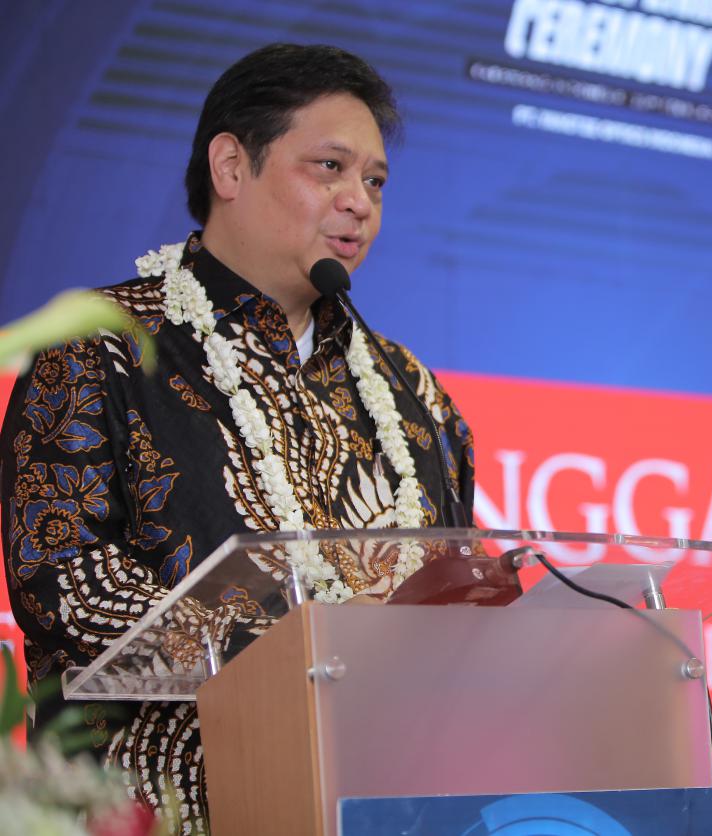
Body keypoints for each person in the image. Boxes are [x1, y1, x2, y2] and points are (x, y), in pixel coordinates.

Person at [0, 43, 474, 832]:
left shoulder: (414, 393)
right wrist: (308, 653)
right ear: (230, 166)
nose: (359, 202)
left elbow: (458, 592)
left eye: (375, 181)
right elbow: (67, 591)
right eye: (330, 167)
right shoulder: (99, 348)